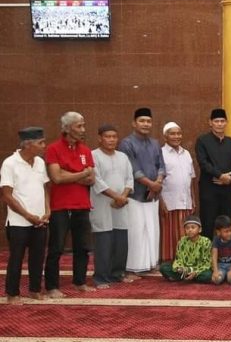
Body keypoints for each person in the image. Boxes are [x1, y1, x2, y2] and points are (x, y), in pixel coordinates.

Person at [44, 111, 96, 296]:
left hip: (82, 205)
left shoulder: (85, 150)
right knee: (56, 247)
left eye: (83, 125)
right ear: (67, 128)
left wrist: (71, 174)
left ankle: (79, 282)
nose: (83, 129)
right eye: (79, 126)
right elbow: (56, 177)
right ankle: (52, 287)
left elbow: (92, 178)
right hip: (60, 206)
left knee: (82, 247)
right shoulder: (53, 148)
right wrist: (81, 173)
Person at [1, 127, 49, 303]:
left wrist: (47, 210)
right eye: (40, 143)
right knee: (16, 259)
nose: (44, 146)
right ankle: (12, 294)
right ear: (28, 145)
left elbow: (44, 189)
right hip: (18, 222)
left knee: (37, 258)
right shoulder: (10, 163)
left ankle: (35, 290)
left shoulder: (40, 162)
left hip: (40, 220)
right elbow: (6, 195)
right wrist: (28, 216)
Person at [118, 107, 166, 276]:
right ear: (134, 123)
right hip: (135, 196)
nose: (146, 124)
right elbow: (133, 169)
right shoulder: (126, 143)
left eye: (148, 121)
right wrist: (151, 185)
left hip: (153, 196)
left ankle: (151, 264)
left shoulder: (154, 143)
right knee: (136, 231)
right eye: (142, 121)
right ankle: (133, 266)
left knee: (152, 230)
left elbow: (161, 166)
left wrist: (158, 183)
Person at [90, 125, 134, 288]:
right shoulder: (93, 156)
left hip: (120, 205)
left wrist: (123, 196)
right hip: (102, 204)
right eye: (107, 137)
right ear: (100, 138)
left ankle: (117, 273)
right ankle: (101, 277)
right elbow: (97, 180)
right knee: (104, 241)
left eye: (114, 137)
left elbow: (129, 178)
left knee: (120, 240)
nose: (111, 140)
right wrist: (117, 197)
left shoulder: (123, 156)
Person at [196, 108, 231, 239]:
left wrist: (230, 177)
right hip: (209, 188)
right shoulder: (202, 140)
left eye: (222, 121)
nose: (219, 124)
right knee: (208, 221)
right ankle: (207, 255)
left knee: (226, 221)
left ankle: (225, 254)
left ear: (226, 123)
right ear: (210, 122)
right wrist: (220, 176)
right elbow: (203, 163)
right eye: (216, 121)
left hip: (227, 189)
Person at [160, 122, 196, 263]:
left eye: (179, 133)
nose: (176, 136)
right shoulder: (161, 153)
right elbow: (158, 180)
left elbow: (191, 178)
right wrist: (161, 202)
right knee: (170, 234)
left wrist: (193, 199)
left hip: (185, 200)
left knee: (186, 232)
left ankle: (186, 260)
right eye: (172, 133)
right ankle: (169, 261)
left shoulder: (186, 153)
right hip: (169, 201)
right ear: (165, 136)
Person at [159, 215, 213, 283]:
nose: (190, 230)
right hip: (184, 270)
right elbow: (178, 259)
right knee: (164, 267)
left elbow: (207, 263)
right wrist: (180, 268)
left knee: (207, 275)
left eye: (193, 227)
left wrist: (195, 272)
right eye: (187, 228)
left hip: (198, 270)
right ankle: (187, 277)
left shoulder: (206, 242)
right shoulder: (182, 241)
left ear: (200, 229)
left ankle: (187, 277)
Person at [210, 215, 231, 285]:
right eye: (226, 231)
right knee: (216, 280)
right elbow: (214, 256)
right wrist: (215, 271)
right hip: (220, 266)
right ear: (218, 232)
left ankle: (227, 276)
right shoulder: (216, 239)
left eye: (230, 230)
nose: (229, 233)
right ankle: (224, 275)